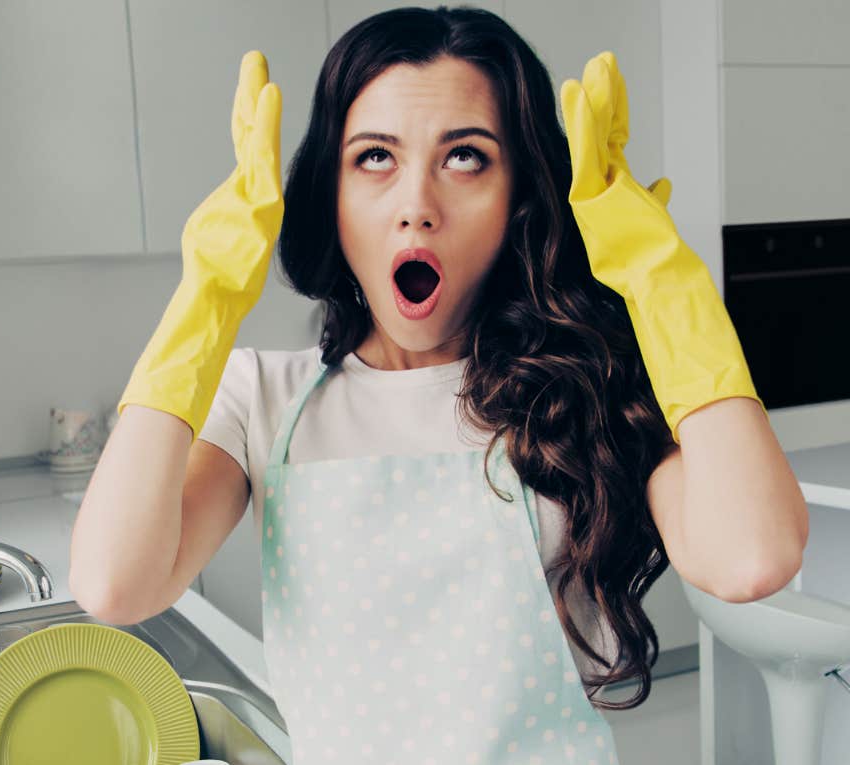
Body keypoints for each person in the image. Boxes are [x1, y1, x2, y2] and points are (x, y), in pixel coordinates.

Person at [69, 6, 808, 762]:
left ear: (519, 196)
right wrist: (208, 297)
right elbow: (115, 582)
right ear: (331, 193)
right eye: (375, 158)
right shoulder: (260, 398)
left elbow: (753, 556)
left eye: (466, 158)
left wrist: (664, 282)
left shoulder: (586, 384)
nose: (416, 207)